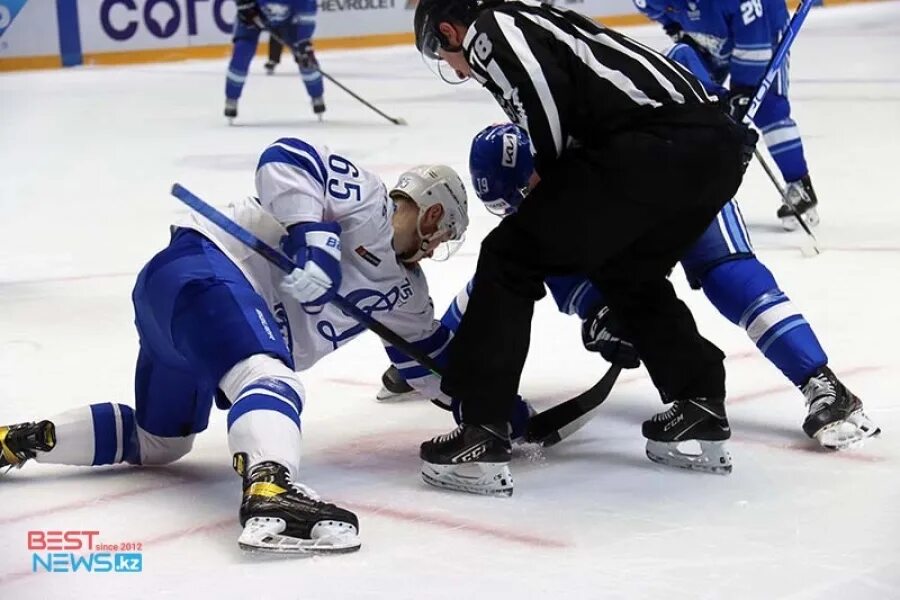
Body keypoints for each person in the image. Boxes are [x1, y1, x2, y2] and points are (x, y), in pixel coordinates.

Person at [0, 138, 469, 554]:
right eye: (443, 235)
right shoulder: (365, 200)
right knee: (270, 377)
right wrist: (316, 243)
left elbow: (430, 365)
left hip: (181, 318)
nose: (435, 249)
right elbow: (285, 157)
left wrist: (493, 410)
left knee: (160, 442)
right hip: (203, 270)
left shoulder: (409, 296)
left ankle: (22, 439)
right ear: (431, 214)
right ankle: (270, 488)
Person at [412, 0, 758, 496]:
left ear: (450, 30)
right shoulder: (538, 19)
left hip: (658, 145)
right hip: (714, 152)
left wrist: (551, 178)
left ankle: (481, 431)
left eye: (443, 54)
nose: (453, 66)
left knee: (509, 256)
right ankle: (698, 402)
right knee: (626, 269)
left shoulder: (493, 26)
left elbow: (542, 95)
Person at [382, 123, 878, 453]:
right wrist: (434, 350)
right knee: (515, 264)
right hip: (625, 220)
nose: (522, 208)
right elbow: (495, 285)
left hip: (677, 192)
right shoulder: (544, 193)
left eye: (523, 196)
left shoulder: (587, 149)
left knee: (728, 275)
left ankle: (824, 384)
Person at [633, 0, 819, 230]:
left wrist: (742, 92)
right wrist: (677, 28)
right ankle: (683, 185)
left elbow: (755, 43)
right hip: (708, 32)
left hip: (763, 29)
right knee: (683, 83)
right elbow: (659, 12)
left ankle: (799, 184)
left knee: (766, 106)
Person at [225, 1, 324, 120]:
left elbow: (305, 24)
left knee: (306, 59)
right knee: (242, 52)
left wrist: (304, 45)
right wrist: (244, 5)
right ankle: (232, 97)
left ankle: (317, 95)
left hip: (288, 23)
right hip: (253, 14)